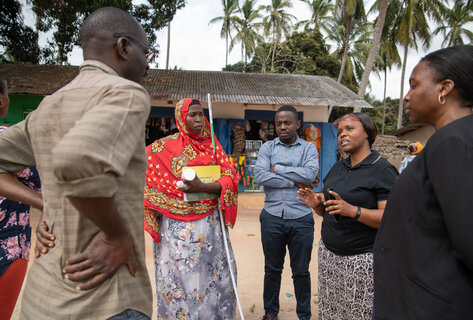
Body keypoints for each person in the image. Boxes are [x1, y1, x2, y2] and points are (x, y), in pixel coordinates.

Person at [0, 7, 155, 319]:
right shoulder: (126, 94)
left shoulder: (49, 104)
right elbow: (77, 159)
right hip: (105, 300)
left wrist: (45, 203)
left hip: (42, 298)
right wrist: (115, 234)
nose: (148, 65)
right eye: (147, 50)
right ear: (124, 47)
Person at [373, 45, 473, 319]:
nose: (406, 97)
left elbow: (472, 244)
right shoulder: (454, 139)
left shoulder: (454, 142)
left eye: (414, 86)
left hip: (430, 305)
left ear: (444, 88)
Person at [144, 98, 239, 319]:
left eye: (200, 114)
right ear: (181, 118)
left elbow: (230, 178)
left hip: (211, 228)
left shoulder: (212, 145)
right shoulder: (163, 147)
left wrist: (203, 187)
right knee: (180, 276)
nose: (198, 119)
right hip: (177, 233)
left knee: (212, 275)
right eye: (192, 115)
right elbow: (142, 171)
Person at [297, 112, 398, 320]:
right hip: (330, 259)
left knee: (358, 314)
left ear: (367, 134)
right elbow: (331, 211)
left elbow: (391, 220)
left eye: (350, 129)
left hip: (361, 264)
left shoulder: (382, 169)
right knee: (331, 312)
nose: (343, 135)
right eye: (340, 131)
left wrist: (354, 211)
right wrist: (317, 205)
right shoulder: (338, 167)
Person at [254, 105, 319, 320]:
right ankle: (271, 313)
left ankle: (304, 315)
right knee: (272, 269)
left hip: (301, 217)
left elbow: (310, 175)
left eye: (287, 122)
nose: (282, 127)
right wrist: (295, 180)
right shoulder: (267, 148)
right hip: (272, 216)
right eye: (279, 123)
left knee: (301, 271)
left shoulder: (309, 149)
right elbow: (261, 176)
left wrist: (278, 169)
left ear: (297, 124)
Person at [0, 76, 45, 320]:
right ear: (0, 101)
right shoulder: (9, 143)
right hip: (7, 244)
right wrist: (43, 204)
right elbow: (38, 181)